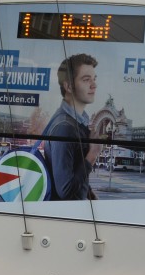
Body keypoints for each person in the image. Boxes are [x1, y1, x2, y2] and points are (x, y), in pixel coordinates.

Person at [43, 53, 105, 200]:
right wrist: (92, 155)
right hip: (66, 217)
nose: (94, 85)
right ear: (69, 86)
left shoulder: (76, 123)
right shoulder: (65, 128)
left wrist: (88, 193)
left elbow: (74, 169)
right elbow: (65, 190)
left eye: (94, 79)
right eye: (86, 79)